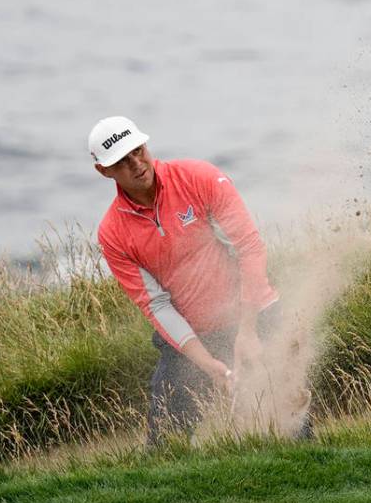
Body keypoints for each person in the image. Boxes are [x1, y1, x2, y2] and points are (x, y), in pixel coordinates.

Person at [88, 115, 294, 445]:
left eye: (138, 151)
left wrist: (248, 330)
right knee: (166, 444)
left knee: (290, 428)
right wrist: (209, 365)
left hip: (255, 315)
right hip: (194, 337)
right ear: (104, 171)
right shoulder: (113, 232)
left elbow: (248, 247)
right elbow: (155, 305)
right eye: (122, 162)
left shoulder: (199, 178)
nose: (137, 164)